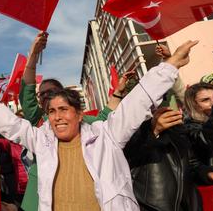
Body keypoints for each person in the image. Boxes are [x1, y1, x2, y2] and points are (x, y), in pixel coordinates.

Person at [0, 40, 199, 210]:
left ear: (79, 114)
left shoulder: (107, 134)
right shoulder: (41, 141)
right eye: (52, 111)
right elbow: (13, 125)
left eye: (64, 110)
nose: (57, 117)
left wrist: (170, 65)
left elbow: (136, 103)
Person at [19, 30, 134, 210]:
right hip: (38, 201)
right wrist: (33, 55)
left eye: (52, 93)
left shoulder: (80, 121)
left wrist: (118, 93)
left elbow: (103, 119)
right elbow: (26, 92)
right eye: (42, 94)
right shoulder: (39, 121)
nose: (46, 97)